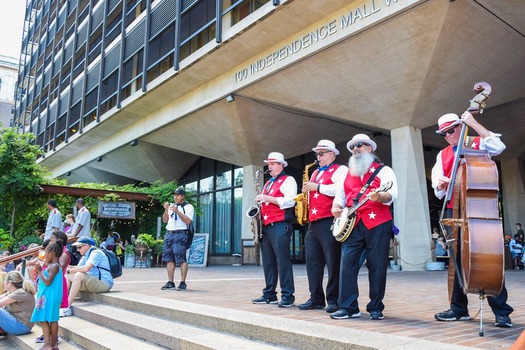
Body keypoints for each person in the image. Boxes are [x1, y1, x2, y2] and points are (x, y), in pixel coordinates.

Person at [431, 112, 513, 328]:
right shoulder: (443, 155)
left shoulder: (478, 142)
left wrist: (474, 123)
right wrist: (440, 185)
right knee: (456, 261)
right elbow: (437, 188)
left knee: (488, 259)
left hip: (479, 209)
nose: (448, 135)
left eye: (451, 130)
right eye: (444, 133)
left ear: (461, 126)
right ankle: (459, 308)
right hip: (453, 210)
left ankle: (502, 311)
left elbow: (499, 147)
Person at [330, 134, 397, 320]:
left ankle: (376, 307)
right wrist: (336, 207)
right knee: (347, 264)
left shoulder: (384, 171)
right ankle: (349, 307)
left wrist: (381, 197)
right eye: (352, 147)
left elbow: (392, 194)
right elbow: (340, 197)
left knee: (377, 265)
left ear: (370, 148)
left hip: (378, 223)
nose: (355, 149)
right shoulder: (347, 173)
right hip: (352, 223)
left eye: (359, 145)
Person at [298, 140, 347, 313]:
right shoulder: (315, 172)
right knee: (312, 262)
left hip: (330, 220)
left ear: (332, 154)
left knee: (333, 262)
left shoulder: (340, 169)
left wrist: (317, 187)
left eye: (321, 153)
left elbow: (341, 190)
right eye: (317, 154)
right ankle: (316, 298)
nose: (318, 157)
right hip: (314, 221)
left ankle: (334, 300)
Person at [252, 152, 298, 308]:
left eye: (272, 163)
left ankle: (287, 296)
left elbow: (291, 200)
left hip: (280, 225)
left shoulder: (288, 180)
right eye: (269, 164)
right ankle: (270, 294)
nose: (269, 166)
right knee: (269, 263)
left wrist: (268, 198)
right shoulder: (268, 183)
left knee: (283, 262)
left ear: (281, 165)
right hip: (267, 226)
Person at [64, 237, 113, 317]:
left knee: (78, 275)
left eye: (79, 247)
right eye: (76, 248)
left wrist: (69, 270)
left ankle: (67, 307)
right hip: (93, 281)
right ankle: (63, 301)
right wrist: (67, 267)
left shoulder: (96, 253)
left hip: (104, 283)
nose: (77, 250)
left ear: (87, 245)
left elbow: (86, 268)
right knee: (68, 275)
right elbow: (77, 268)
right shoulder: (85, 255)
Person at [161, 187, 194, 291]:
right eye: (174, 195)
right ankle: (170, 282)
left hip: (180, 233)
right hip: (169, 233)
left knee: (181, 259)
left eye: (178, 195)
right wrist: (166, 209)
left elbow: (188, 221)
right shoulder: (171, 206)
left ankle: (183, 282)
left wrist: (177, 211)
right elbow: (165, 220)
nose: (175, 197)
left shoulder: (188, 207)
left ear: (183, 196)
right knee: (169, 259)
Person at [31, 243, 63, 350]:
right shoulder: (55, 266)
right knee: (53, 319)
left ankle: (47, 344)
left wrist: (40, 271)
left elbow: (48, 282)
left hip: (48, 297)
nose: (44, 256)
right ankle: (53, 344)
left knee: (44, 319)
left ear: (52, 254)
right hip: (51, 296)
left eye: (46, 253)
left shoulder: (54, 266)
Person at [0, 271, 36, 336]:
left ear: (10, 283)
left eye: (5, 282)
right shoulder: (14, 292)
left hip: (22, 327)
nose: (4, 283)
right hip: (19, 324)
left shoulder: (20, 292)